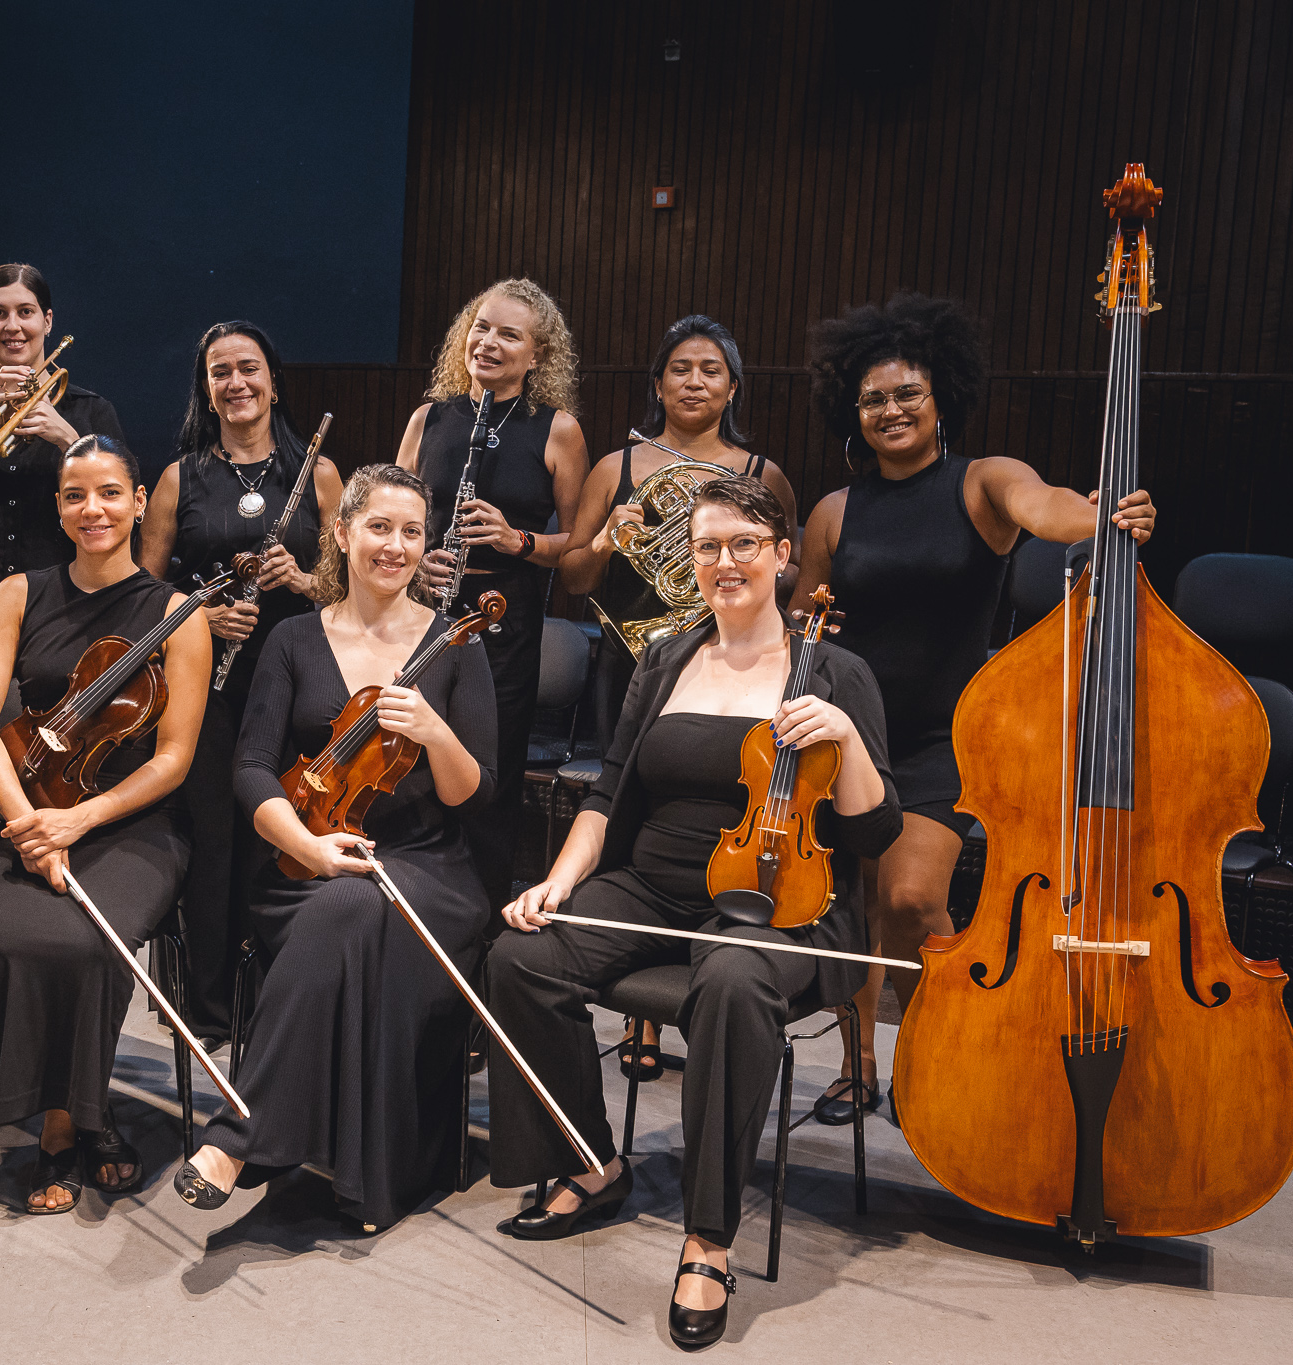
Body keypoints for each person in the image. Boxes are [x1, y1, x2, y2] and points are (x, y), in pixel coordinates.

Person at [485, 477, 902, 1350]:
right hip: (657, 885)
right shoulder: (666, 658)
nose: (725, 563)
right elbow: (606, 795)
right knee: (521, 956)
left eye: (745, 544)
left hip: (787, 903)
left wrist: (848, 739)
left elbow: (874, 826)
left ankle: (709, 1237)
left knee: (733, 976)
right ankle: (590, 1160)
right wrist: (558, 882)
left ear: (783, 555)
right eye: (708, 547)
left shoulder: (835, 670)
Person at [794, 293, 1156, 1123]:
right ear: (853, 410)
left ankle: (945, 1044)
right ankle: (860, 1066)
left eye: (907, 393)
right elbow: (799, 614)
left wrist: (1104, 514)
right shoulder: (835, 510)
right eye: (874, 398)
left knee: (911, 900)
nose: (891, 409)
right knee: (852, 908)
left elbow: (1051, 506)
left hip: (941, 736)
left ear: (940, 397)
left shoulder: (982, 483)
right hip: (850, 730)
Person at [173, 464, 497, 1232]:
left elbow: (472, 793)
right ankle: (342, 1163)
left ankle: (243, 1137)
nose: (395, 545)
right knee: (347, 899)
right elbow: (251, 766)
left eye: (412, 531)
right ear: (343, 534)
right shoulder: (293, 639)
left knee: (358, 902)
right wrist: (307, 847)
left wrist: (435, 731)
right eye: (379, 527)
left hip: (427, 866)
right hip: (304, 854)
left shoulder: (456, 644)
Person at [0, 434, 210, 1216]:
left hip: (129, 823)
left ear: (139, 502)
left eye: (108, 492)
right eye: (74, 495)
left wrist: (82, 817)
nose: (91, 509)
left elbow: (172, 759)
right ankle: (72, 1123)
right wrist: (32, 820)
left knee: (92, 937)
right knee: (34, 937)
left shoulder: (176, 613)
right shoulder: (18, 593)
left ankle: (68, 1122)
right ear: (59, 507)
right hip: (21, 810)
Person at [560, 314, 799, 1081]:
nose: (694, 382)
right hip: (635, 666)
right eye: (680, 369)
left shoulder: (761, 471)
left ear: (733, 386)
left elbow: (784, 577)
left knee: (717, 817)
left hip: (729, 672)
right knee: (632, 824)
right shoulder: (617, 466)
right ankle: (642, 1020)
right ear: (657, 382)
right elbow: (572, 578)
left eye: (711, 370)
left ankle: (707, 995)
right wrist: (605, 540)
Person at [0, 263, 131, 1041]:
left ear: (48, 321)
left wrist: (70, 442)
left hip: (54, 630)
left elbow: (110, 504)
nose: (13, 326)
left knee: (47, 786)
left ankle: (40, 958)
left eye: (26, 313)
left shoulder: (89, 407)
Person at [139, 320, 343, 1036]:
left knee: (281, 840)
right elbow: (144, 595)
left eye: (248, 367)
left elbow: (350, 587)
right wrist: (203, 617)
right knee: (218, 845)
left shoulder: (317, 474)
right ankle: (211, 1010)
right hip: (212, 687)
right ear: (207, 388)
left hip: (297, 682)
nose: (236, 383)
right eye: (220, 371)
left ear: (273, 380)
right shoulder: (178, 479)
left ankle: (279, 1005)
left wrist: (307, 577)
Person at [396, 278, 589, 923]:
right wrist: (416, 559)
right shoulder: (432, 418)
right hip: (427, 616)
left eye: (510, 334)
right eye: (482, 327)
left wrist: (516, 539)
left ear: (538, 354)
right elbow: (391, 512)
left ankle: (477, 930)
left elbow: (578, 544)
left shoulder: (556, 430)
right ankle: (415, 911)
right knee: (414, 767)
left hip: (505, 626)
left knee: (489, 776)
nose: (489, 342)